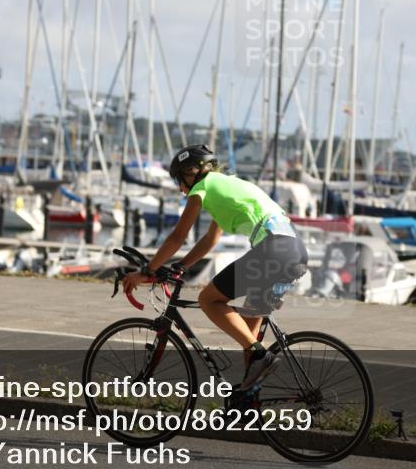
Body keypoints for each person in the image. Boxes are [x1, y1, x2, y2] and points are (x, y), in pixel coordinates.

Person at [123, 144, 309, 390]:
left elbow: (178, 236)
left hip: (274, 251)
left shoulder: (202, 187)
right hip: (295, 252)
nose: (180, 188)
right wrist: (180, 266)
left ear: (192, 173)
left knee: (209, 299)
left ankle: (260, 357)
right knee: (249, 339)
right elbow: (211, 239)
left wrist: (147, 271)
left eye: (180, 180)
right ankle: (248, 403)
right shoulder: (226, 186)